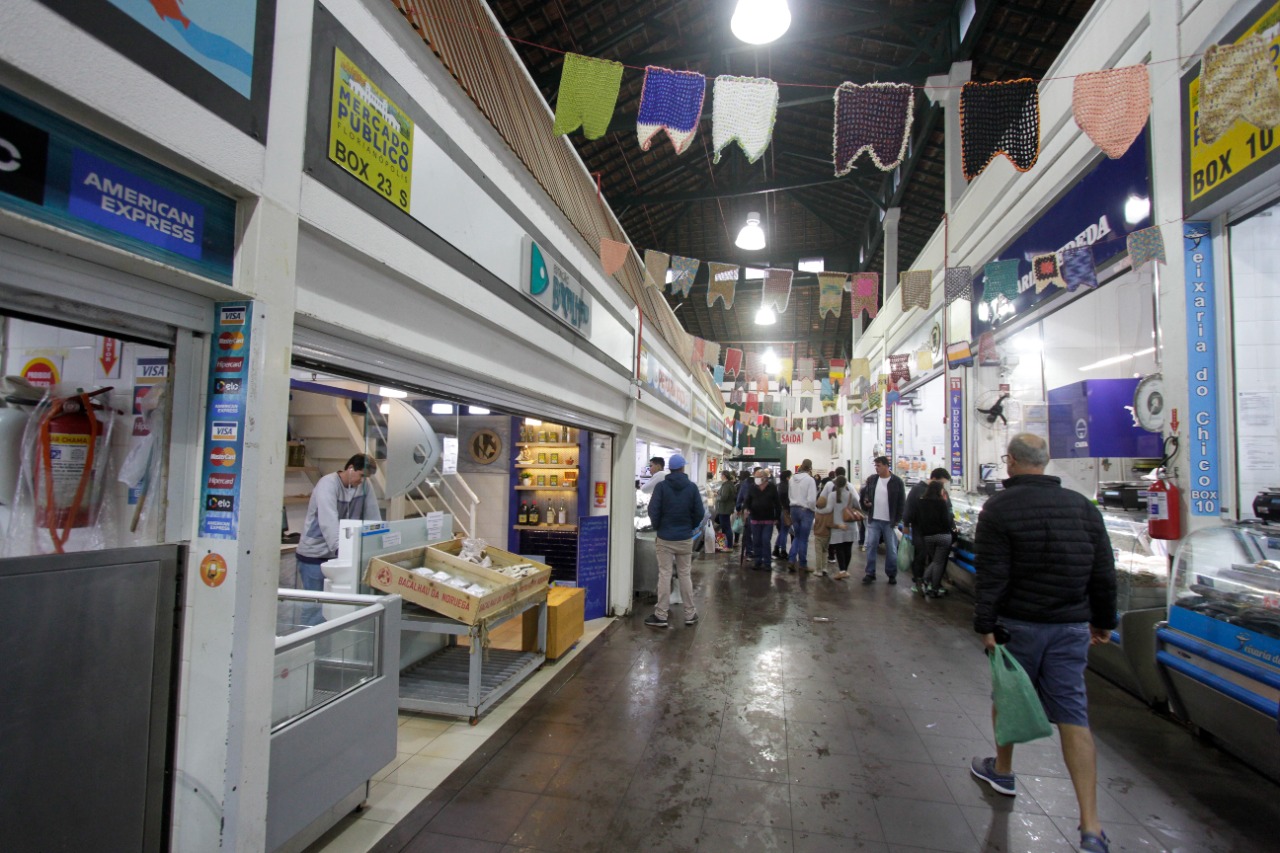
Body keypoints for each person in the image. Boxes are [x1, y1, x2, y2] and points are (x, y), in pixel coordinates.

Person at [970, 433, 1117, 853]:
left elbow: (991, 574)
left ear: (1012, 462)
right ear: (1045, 463)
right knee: (1074, 714)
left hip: (1019, 624)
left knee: (1009, 693)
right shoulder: (1082, 507)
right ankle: (1091, 826)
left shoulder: (999, 508)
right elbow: (1103, 571)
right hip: (1071, 625)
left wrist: (985, 624)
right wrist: (1104, 621)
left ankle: (1003, 769)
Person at [296, 453, 380, 624]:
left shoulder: (364, 486)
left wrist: (377, 542)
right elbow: (329, 521)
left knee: (333, 610)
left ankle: (324, 649)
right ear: (350, 469)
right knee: (314, 608)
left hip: (339, 557)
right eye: (361, 475)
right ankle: (308, 649)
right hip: (315, 556)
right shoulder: (327, 484)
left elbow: (373, 516)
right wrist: (341, 550)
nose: (363, 481)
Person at [643, 454, 704, 629]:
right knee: (685, 574)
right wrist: (689, 527)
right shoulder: (691, 488)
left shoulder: (661, 487)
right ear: (683, 468)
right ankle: (690, 614)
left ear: (669, 468)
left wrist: (659, 526)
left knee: (664, 574)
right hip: (685, 538)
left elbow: (652, 509)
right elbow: (699, 513)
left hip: (665, 538)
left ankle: (661, 615)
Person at [903, 467, 953, 592]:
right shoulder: (917, 490)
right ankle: (919, 581)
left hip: (935, 531)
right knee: (921, 555)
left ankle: (932, 583)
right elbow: (909, 508)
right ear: (934, 479)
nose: (943, 486)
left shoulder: (942, 492)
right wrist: (906, 525)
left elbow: (949, 509)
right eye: (941, 482)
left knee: (935, 558)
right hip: (920, 530)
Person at [859, 456, 905, 584]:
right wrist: (865, 503)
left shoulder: (897, 482)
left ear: (886, 465)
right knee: (871, 546)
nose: (876, 468)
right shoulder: (873, 480)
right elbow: (865, 494)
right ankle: (870, 573)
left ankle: (891, 574)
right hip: (874, 519)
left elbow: (901, 502)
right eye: (875, 466)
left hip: (889, 522)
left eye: (878, 466)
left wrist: (897, 519)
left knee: (892, 549)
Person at [915, 480, 956, 598]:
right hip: (943, 536)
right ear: (939, 490)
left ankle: (924, 582)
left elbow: (919, 520)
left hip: (928, 537)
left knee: (935, 561)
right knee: (938, 562)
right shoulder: (941, 503)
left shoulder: (921, 502)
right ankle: (932, 587)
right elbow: (946, 521)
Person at [822, 475, 863, 579]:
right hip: (851, 526)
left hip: (838, 526)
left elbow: (828, 509)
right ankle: (845, 570)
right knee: (848, 548)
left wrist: (817, 510)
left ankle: (842, 570)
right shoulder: (851, 495)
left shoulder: (832, 496)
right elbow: (858, 508)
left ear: (835, 484)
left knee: (839, 548)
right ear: (846, 484)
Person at [742, 468, 782, 572]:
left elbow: (777, 504)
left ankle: (767, 563)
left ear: (764, 478)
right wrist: (746, 509)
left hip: (768, 519)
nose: (756, 479)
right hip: (755, 518)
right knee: (756, 541)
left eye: (758, 477)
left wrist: (777, 517)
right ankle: (758, 561)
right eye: (755, 477)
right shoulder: (752, 487)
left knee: (765, 540)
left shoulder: (772, 488)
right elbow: (747, 501)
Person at [787, 460, 818, 572]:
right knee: (804, 538)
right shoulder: (810, 480)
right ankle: (803, 564)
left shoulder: (791, 479)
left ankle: (791, 559)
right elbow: (812, 499)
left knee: (797, 536)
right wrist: (813, 509)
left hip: (793, 509)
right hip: (806, 510)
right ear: (810, 468)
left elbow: (789, 495)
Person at [735, 466, 762, 562]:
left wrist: (738, 507)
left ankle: (750, 552)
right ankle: (753, 552)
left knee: (749, 532)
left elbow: (740, 497)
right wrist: (738, 507)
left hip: (750, 511)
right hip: (752, 511)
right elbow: (741, 496)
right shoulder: (750, 483)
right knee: (753, 532)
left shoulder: (746, 483)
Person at [714, 470, 737, 552]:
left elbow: (724, 497)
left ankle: (729, 546)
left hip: (724, 509)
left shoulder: (726, 485)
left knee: (726, 527)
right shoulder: (730, 484)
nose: (720, 476)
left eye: (721, 475)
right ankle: (723, 545)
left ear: (724, 476)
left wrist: (717, 496)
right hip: (726, 509)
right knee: (725, 527)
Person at [773, 470, 792, 565]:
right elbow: (788, 500)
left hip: (779, 510)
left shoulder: (779, 485)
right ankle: (783, 551)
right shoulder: (787, 487)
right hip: (785, 511)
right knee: (784, 531)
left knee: (782, 531)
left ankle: (776, 549)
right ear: (787, 477)